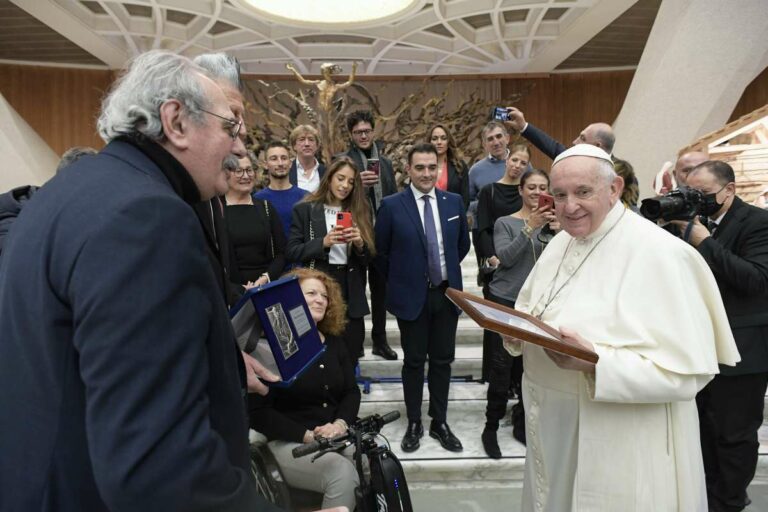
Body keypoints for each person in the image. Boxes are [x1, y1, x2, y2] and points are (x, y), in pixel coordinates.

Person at [0, 50, 283, 511]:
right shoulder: (147, 216)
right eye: (230, 128)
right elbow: (159, 467)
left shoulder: (72, 189)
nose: (239, 147)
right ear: (176, 121)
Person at [505, 144, 739, 511]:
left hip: (623, 441)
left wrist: (597, 363)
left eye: (583, 192)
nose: (569, 207)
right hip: (554, 429)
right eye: (560, 195)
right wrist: (517, 330)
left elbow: (687, 373)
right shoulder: (562, 241)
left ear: (614, 188)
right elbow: (535, 306)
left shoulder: (662, 253)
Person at [672, 160, 768, 512]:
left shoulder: (758, 222)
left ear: (729, 190)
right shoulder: (687, 222)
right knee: (701, 432)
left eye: (705, 194)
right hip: (698, 346)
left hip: (744, 351)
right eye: (691, 193)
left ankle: (729, 502)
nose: (698, 200)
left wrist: (705, 242)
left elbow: (755, 279)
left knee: (734, 436)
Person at [375, 143, 470, 454]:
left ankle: (439, 421)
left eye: (432, 167)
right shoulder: (391, 206)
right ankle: (414, 421)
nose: (427, 173)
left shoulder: (454, 202)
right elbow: (381, 254)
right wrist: (405, 279)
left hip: (447, 294)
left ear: (438, 168)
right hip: (411, 297)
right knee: (414, 362)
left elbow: (461, 246)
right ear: (408, 170)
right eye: (420, 168)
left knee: (443, 361)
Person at [250, 268, 362, 511]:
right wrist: (308, 436)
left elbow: (351, 392)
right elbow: (258, 413)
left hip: (335, 438)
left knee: (368, 459)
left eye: (324, 296)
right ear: (290, 300)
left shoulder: (335, 343)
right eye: (311, 293)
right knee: (340, 471)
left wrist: (339, 424)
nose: (320, 299)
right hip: (287, 443)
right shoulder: (270, 349)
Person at [481, 169, 555, 458]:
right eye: (531, 187)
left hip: (537, 305)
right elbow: (506, 258)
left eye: (542, 187)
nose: (537, 192)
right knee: (501, 368)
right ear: (521, 191)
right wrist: (529, 227)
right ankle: (490, 426)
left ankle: (522, 421)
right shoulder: (505, 222)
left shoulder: (556, 225)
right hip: (506, 300)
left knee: (530, 367)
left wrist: (557, 231)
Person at [287, 158, 375, 365]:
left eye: (351, 181)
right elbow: (292, 251)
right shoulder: (306, 209)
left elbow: (370, 259)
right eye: (340, 178)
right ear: (329, 178)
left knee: (351, 351)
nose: (345, 186)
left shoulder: (360, 209)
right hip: (320, 282)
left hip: (351, 286)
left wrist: (360, 244)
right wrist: (324, 243)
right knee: (319, 353)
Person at [505, 107, 640, 209]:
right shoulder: (573, 159)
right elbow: (552, 146)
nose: (575, 142)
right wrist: (523, 126)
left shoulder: (624, 174)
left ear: (597, 145)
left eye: (582, 138)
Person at [345, 109, 398, 360]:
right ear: (351, 135)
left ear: (373, 131)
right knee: (355, 290)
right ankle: (355, 342)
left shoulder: (385, 163)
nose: (363, 136)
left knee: (381, 292)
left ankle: (380, 340)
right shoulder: (344, 161)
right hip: (355, 233)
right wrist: (357, 184)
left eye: (367, 131)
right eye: (358, 132)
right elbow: (337, 196)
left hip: (382, 234)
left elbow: (393, 197)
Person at [476, 144, 528, 382]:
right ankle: (495, 380)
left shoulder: (526, 193)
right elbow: (482, 229)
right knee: (496, 327)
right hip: (497, 265)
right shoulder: (489, 191)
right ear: (507, 160)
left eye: (523, 163)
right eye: (515, 160)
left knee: (520, 327)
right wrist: (492, 257)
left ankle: (517, 380)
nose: (517, 165)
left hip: (521, 264)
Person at [223, 154, 287, 288]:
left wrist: (266, 278)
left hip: (265, 288)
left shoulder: (266, 207)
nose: (246, 176)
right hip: (229, 290)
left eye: (249, 170)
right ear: (225, 174)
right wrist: (237, 288)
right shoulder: (216, 209)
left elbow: (282, 252)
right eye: (239, 171)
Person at [255, 141, 308, 238]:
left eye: (284, 158)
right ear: (265, 164)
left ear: (290, 163)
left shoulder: (305, 197)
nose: (280, 163)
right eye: (274, 159)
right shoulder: (258, 199)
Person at [427, 123, 469, 208]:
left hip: (453, 213)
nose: (439, 142)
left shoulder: (460, 166)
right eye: (435, 139)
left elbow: (465, 199)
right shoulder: (420, 166)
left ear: (448, 142)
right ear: (429, 142)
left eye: (443, 138)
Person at [289, 124, 325, 192]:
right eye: (302, 140)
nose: (307, 144)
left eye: (311, 139)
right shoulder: (287, 171)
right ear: (294, 146)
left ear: (317, 145)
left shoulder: (325, 172)